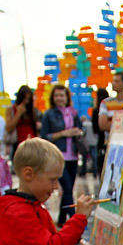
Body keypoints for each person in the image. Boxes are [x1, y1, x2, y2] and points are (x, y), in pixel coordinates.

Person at [40, 84, 84, 227]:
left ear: (67, 97)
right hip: (58, 156)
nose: (59, 98)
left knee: (68, 189)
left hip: (73, 154)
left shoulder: (73, 112)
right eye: (57, 95)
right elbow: (44, 136)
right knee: (66, 188)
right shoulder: (49, 114)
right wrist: (63, 133)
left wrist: (78, 132)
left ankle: (61, 219)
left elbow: (81, 130)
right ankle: (74, 221)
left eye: (62, 95)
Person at [4, 85, 39, 154]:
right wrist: (18, 114)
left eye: (28, 99)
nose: (26, 101)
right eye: (24, 98)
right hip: (18, 144)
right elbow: (8, 128)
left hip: (32, 142)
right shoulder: (11, 109)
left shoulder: (32, 110)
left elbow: (34, 128)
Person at [0, 134, 12, 236]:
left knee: (2, 209)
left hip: (2, 187)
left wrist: (9, 185)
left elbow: (7, 173)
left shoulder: (3, 160)